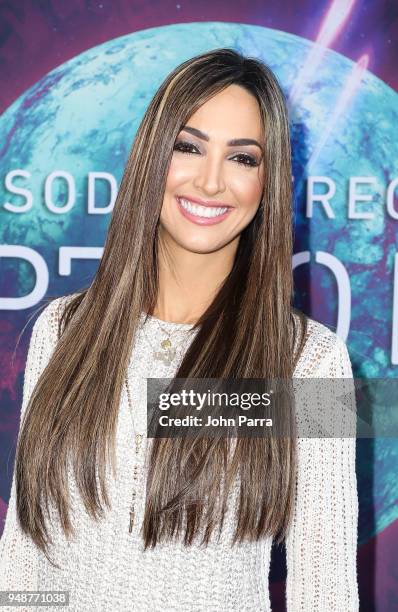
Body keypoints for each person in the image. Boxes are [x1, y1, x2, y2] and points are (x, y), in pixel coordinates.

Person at [0, 48, 359, 611]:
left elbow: (326, 588)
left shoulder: (310, 363)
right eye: (188, 147)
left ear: (268, 182)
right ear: (151, 157)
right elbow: (25, 559)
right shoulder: (62, 331)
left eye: (243, 159)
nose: (211, 181)